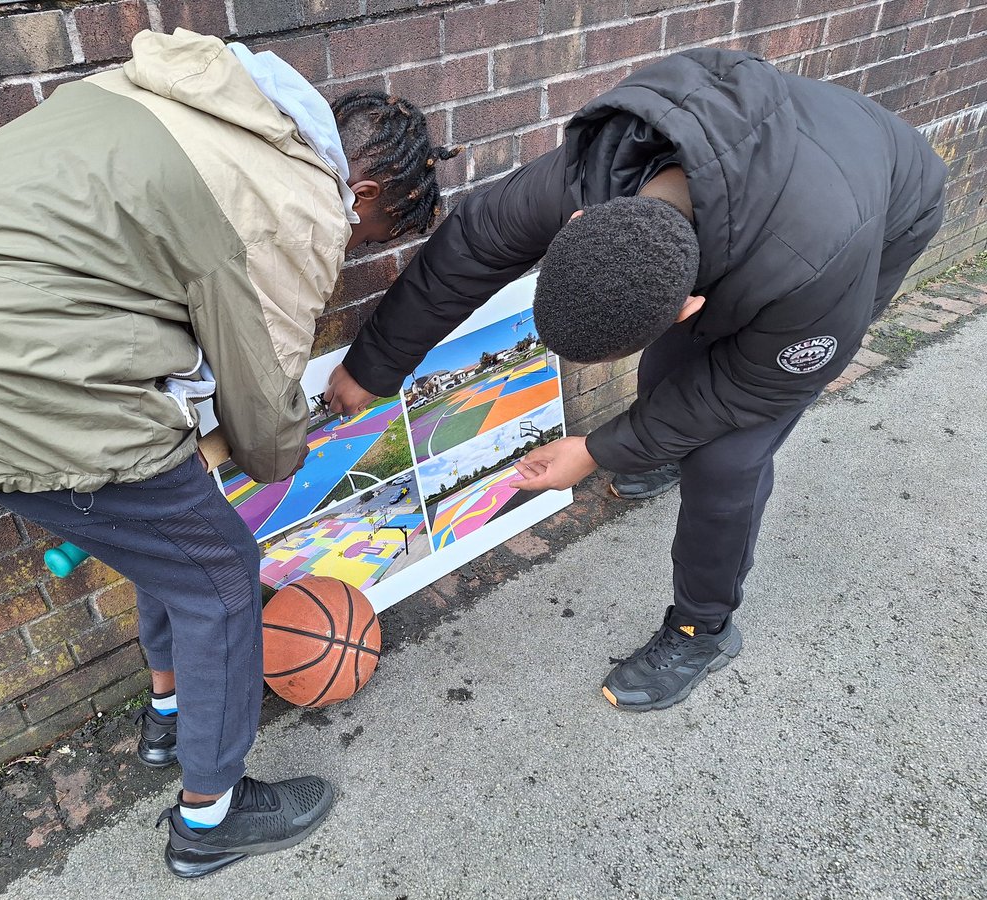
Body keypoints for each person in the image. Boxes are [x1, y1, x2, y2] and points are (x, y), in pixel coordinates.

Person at [0, 29, 456, 878]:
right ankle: (212, 819)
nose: (354, 244)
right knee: (224, 574)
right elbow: (265, 414)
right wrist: (289, 441)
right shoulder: (299, 199)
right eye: (371, 230)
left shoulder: (192, 95)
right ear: (361, 189)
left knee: (173, 539)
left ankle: (169, 713)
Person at [326, 49, 946, 713]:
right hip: (786, 160)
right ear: (578, 223)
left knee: (728, 457)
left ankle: (702, 629)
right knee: (667, 375)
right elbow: (474, 244)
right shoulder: (593, 171)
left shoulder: (813, 280)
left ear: (688, 309)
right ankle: (662, 454)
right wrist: (373, 365)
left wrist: (596, 451)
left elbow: (747, 390)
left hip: (883, 204)